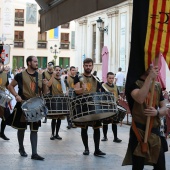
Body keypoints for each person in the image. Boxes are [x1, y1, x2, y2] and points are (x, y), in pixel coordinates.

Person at [122, 65, 168, 169]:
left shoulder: (157, 85)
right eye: (149, 64)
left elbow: (165, 109)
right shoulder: (132, 84)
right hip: (139, 132)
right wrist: (149, 78)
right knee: (138, 167)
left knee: (160, 167)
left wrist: (156, 112)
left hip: (155, 133)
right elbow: (140, 98)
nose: (153, 66)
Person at [7, 56, 48, 160]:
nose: (37, 63)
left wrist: (45, 85)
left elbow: (45, 92)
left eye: (37, 62)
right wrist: (16, 95)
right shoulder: (20, 75)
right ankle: (21, 148)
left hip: (36, 105)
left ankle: (34, 153)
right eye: (35, 62)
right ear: (29, 63)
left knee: (34, 130)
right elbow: (10, 86)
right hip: (23, 104)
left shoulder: (40, 75)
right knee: (21, 129)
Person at [74, 58, 106, 156]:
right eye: (86, 65)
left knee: (97, 128)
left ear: (92, 66)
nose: (88, 67)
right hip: (83, 105)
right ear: (83, 66)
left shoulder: (96, 78)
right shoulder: (78, 77)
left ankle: (97, 149)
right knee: (84, 128)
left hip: (94, 105)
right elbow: (76, 91)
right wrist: (82, 89)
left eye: (90, 65)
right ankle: (86, 149)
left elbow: (101, 91)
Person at [101, 72, 122, 143]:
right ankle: (105, 136)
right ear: (107, 78)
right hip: (106, 107)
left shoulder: (115, 86)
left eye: (112, 78)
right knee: (105, 123)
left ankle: (115, 137)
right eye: (110, 78)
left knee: (114, 123)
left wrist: (119, 98)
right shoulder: (103, 86)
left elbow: (118, 95)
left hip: (114, 106)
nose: (111, 80)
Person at [47, 66, 66, 140]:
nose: (58, 71)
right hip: (54, 100)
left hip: (61, 100)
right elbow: (48, 85)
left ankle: (57, 133)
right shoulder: (52, 79)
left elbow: (65, 89)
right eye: (56, 70)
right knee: (54, 118)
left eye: (59, 70)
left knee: (59, 119)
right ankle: (52, 133)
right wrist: (52, 76)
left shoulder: (62, 80)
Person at [0, 58, 10, 140]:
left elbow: (7, 85)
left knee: (6, 115)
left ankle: (2, 133)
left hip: (2, 97)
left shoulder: (5, 74)